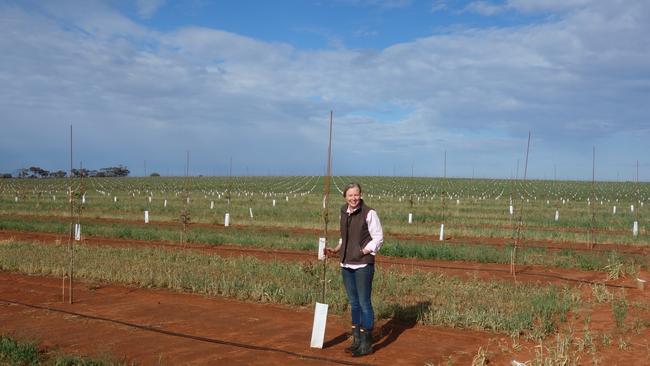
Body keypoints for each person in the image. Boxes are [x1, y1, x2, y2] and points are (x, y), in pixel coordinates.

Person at [324, 182, 383, 357]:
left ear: (361, 194)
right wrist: (336, 249)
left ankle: (367, 343)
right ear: (345, 197)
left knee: (364, 302)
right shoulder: (343, 211)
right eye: (350, 195)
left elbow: (378, 237)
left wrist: (364, 251)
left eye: (356, 195)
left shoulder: (369, 213)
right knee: (354, 303)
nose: (353, 198)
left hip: (363, 264)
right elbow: (345, 238)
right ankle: (357, 340)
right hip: (346, 264)